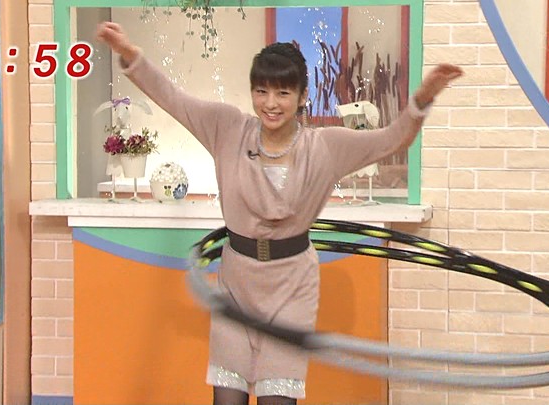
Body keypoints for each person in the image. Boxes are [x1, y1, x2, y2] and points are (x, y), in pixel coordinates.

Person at [97, 21, 463, 405]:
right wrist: (129, 53)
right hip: (237, 282)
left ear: (303, 96)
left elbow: (392, 140)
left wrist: (422, 99)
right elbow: (172, 97)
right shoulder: (227, 128)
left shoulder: (326, 147)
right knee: (227, 399)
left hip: (292, 286)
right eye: (262, 91)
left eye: (283, 93)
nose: (270, 103)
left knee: (277, 399)